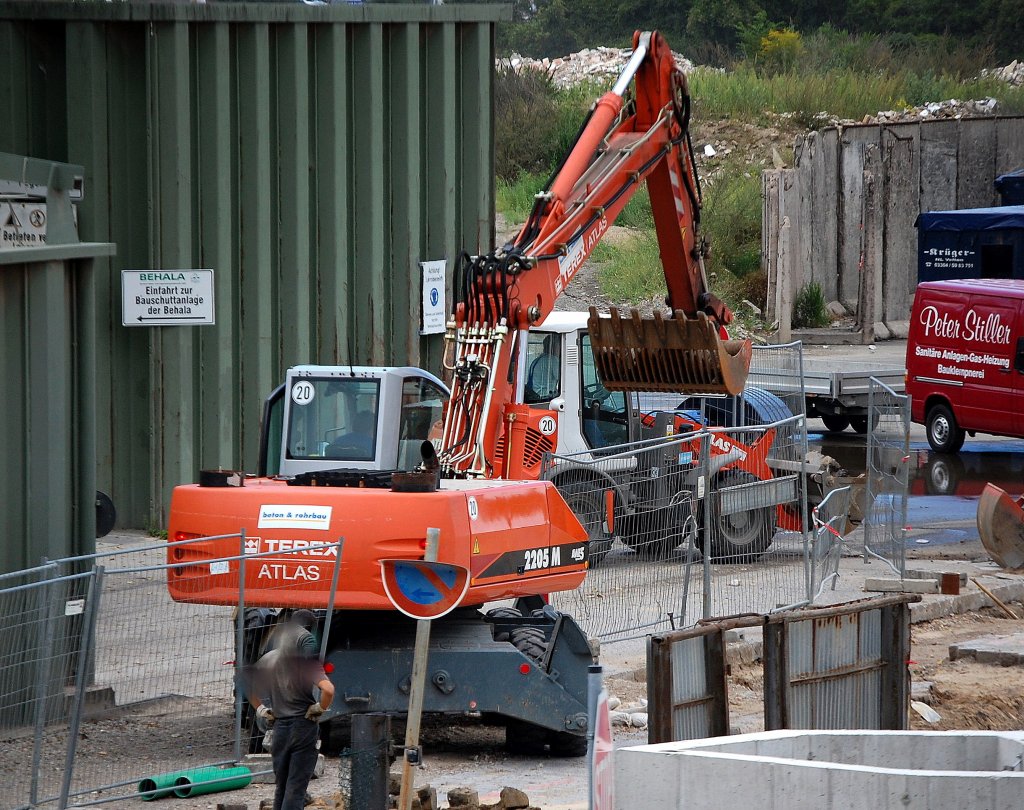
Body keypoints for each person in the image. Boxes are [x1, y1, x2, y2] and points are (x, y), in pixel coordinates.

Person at [247, 610, 335, 810]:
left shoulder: (269, 659)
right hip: (303, 727)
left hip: (279, 730)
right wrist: (320, 708)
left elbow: (248, 688)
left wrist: (261, 709)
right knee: (295, 789)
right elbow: (328, 689)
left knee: (282, 787)